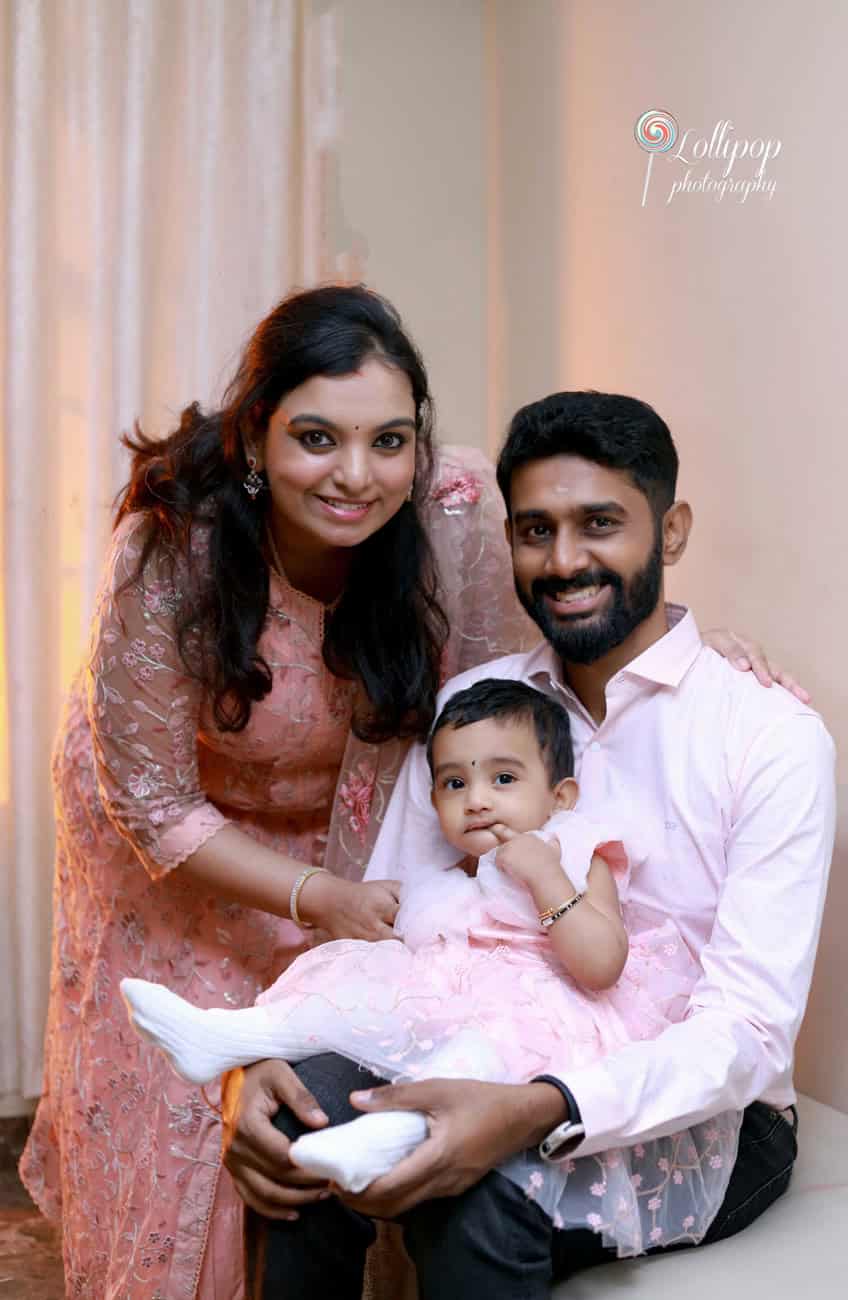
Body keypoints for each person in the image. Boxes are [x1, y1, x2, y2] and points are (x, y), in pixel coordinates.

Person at [18, 279, 796, 1300]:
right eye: (316, 439)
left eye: (390, 440)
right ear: (256, 438)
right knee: (194, 1139)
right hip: (178, 837)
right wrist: (316, 937)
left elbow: (505, 699)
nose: (357, 475)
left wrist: (698, 650)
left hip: (357, 840)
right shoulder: (174, 553)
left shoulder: (456, 516)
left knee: (349, 1121)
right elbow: (155, 802)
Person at [225, 390, 836, 1300]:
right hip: (473, 1036)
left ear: (670, 534)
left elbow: (745, 1031)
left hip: (704, 1109)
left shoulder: (766, 734)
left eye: (599, 525)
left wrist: (537, 1109)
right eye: (535, 530)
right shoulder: (479, 700)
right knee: (300, 1116)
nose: (563, 560)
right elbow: (394, 922)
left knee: (478, 1198)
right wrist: (281, 1049)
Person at [121, 677, 739, 1259]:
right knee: (357, 986)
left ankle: (382, 1138)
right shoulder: (451, 880)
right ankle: (233, 1037)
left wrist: (546, 878)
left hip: (545, 1021)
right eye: (453, 784)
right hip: (452, 1003)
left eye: (502, 778)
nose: (476, 801)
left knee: (473, 1053)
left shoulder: (573, 851)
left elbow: (601, 964)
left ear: (560, 797)